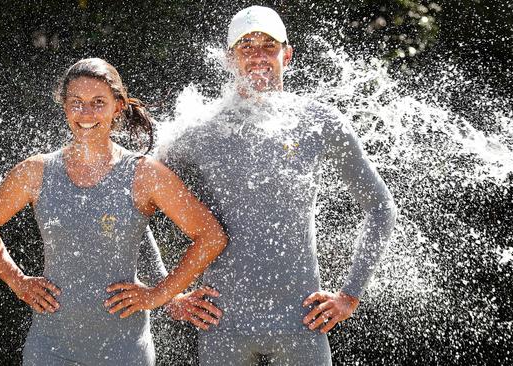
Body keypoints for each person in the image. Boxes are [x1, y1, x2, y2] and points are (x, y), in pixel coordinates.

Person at [159, 6, 397, 365]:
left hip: (300, 325)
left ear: (287, 54)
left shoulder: (320, 121)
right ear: (229, 58)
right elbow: (133, 200)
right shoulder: (198, 129)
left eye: (268, 46)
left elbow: (381, 209)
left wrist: (350, 295)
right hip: (224, 326)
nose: (258, 56)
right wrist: (166, 294)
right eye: (246, 47)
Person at [0, 58, 228, 366]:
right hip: (50, 350)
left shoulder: (144, 175)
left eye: (98, 103)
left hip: (124, 353)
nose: (86, 114)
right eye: (77, 103)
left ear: (117, 106)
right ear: (64, 106)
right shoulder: (36, 172)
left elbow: (210, 236)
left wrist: (158, 295)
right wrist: (18, 281)